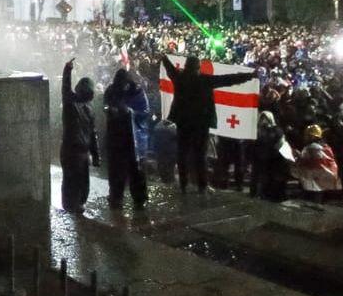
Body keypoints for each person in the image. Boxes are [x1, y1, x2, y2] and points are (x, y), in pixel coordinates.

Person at [159, 54, 256, 195]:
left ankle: (183, 185)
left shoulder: (179, 78)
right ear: (198, 67)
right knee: (200, 156)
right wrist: (249, 76)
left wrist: (164, 59)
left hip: (183, 122)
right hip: (201, 124)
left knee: (182, 154)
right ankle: (202, 186)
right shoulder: (205, 80)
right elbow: (228, 79)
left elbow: (170, 69)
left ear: (186, 66)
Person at [103, 67, 150, 210]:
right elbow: (105, 106)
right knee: (117, 170)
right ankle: (116, 197)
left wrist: (129, 112)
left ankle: (140, 199)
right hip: (117, 137)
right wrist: (111, 111)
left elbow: (144, 111)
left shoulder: (137, 92)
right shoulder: (111, 91)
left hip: (135, 137)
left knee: (137, 170)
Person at [61, 59, 99, 213]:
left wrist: (96, 155)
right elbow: (65, 88)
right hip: (73, 150)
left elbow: (93, 133)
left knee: (82, 181)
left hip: (79, 150)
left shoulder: (87, 109)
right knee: (72, 180)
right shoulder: (71, 104)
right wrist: (67, 70)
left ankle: (77, 204)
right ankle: (71, 205)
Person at [294, 124, 340, 201]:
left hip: (314, 178)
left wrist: (297, 156)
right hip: (325, 177)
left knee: (312, 199)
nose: (305, 137)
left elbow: (305, 162)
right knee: (318, 197)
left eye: (308, 135)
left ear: (312, 136)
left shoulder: (311, 147)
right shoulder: (325, 146)